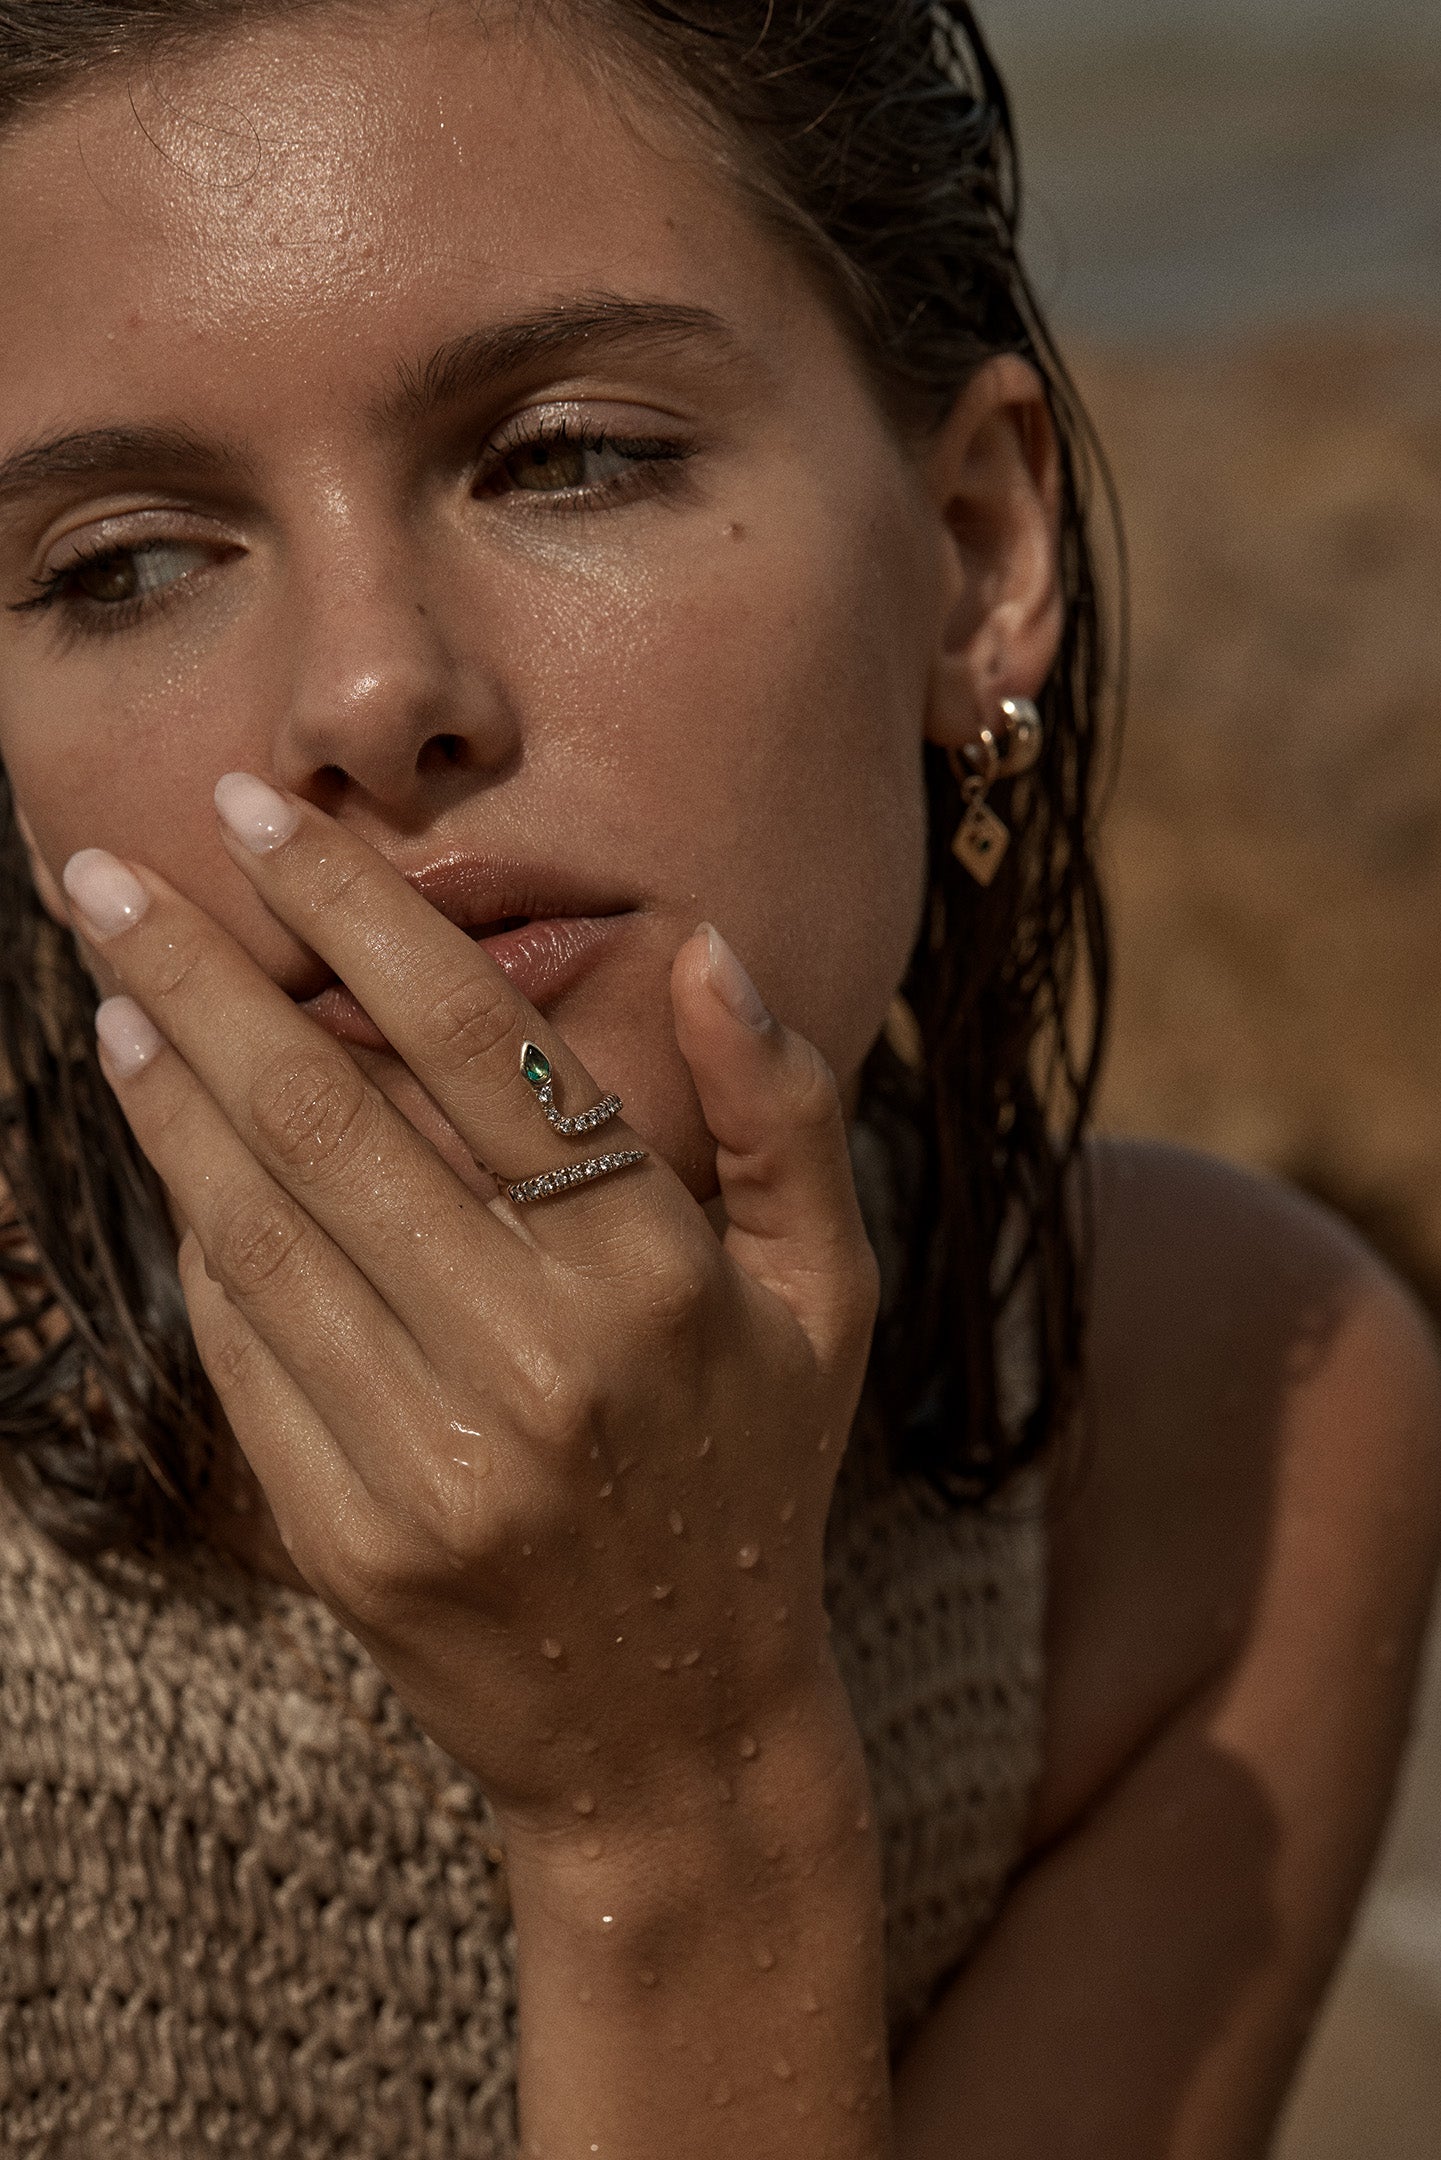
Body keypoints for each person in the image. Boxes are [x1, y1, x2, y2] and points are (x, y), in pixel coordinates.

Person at [0, 3, 1436, 2154]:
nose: (373, 690)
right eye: (124, 564)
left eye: (565, 453)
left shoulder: (1218, 1427)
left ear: (975, 555)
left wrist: (677, 1796)